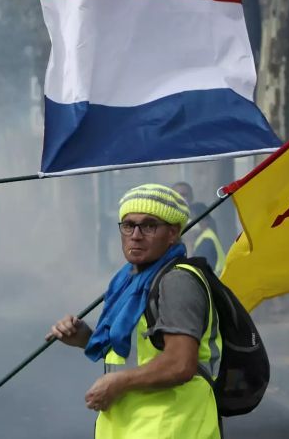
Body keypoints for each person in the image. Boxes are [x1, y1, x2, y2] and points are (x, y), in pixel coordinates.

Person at [48, 183, 222, 439]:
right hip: (133, 427)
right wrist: (86, 337)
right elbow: (137, 351)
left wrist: (119, 383)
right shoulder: (129, 282)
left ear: (173, 233)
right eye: (128, 225)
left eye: (149, 225)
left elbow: (181, 363)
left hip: (172, 427)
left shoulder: (176, 281)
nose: (136, 235)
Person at [191, 208, 226, 275]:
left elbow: (202, 267)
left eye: (194, 220)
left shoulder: (206, 239)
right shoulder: (207, 235)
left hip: (215, 277)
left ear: (204, 221)